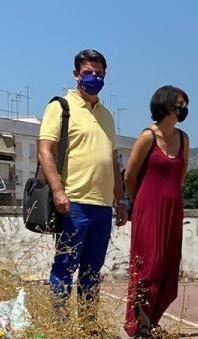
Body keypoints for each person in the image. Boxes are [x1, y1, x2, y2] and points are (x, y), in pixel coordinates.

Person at [38, 49, 128, 315]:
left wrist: (120, 200)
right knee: (65, 265)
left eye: (98, 74)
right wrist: (58, 191)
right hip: (73, 202)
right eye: (88, 73)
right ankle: (60, 324)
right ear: (76, 74)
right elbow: (45, 150)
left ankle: (89, 326)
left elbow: (113, 161)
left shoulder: (107, 116)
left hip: (102, 206)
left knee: (92, 269)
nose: (93, 78)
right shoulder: (60, 107)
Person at [122, 86, 190, 339]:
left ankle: (153, 320)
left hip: (173, 208)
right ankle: (140, 322)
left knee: (168, 265)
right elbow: (130, 175)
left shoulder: (183, 139)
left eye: (184, 105)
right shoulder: (147, 137)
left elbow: (180, 176)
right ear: (164, 107)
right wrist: (140, 200)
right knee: (147, 265)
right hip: (148, 206)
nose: (182, 110)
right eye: (178, 105)